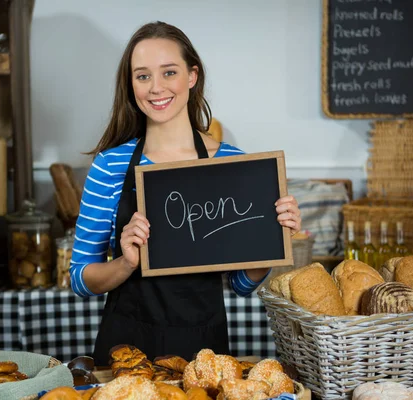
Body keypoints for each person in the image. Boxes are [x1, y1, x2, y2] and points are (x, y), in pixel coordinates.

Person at [70, 21, 301, 365]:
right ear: (130, 84)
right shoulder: (110, 166)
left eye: (169, 72)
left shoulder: (230, 163)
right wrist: (126, 263)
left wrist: (272, 238)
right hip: (126, 350)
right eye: (142, 76)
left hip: (204, 351)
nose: (156, 88)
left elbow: (240, 283)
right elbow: (80, 278)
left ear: (192, 76)